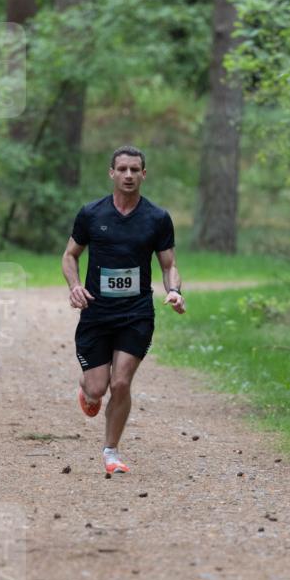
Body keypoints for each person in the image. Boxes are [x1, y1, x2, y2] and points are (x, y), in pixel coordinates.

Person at [61, 146, 185, 475]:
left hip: (137, 312)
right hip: (96, 312)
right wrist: (75, 286)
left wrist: (174, 290)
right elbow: (70, 255)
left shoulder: (157, 218)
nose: (128, 175)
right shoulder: (91, 214)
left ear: (144, 174)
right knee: (98, 387)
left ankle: (111, 451)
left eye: (135, 170)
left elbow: (169, 264)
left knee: (121, 383)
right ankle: (87, 391)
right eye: (123, 169)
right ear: (112, 173)